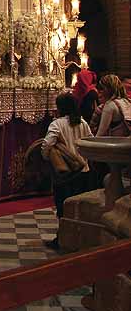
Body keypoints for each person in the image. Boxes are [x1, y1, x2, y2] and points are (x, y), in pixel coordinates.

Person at [41, 92, 93, 249]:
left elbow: (47, 144)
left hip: (66, 173)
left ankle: (63, 239)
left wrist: (46, 156)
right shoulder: (82, 122)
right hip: (83, 170)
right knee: (79, 206)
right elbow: (90, 140)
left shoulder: (57, 124)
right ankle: (79, 238)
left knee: (63, 207)